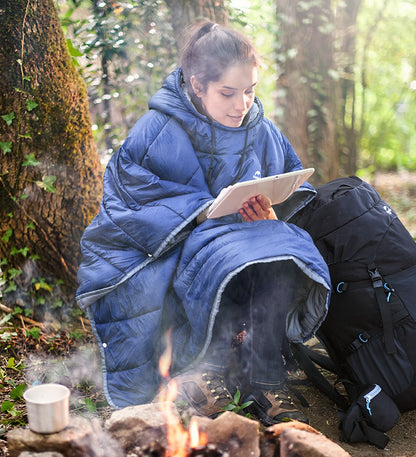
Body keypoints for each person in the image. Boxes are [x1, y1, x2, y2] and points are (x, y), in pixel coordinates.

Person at [76, 21, 331, 425]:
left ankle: (264, 379)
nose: (241, 105)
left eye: (249, 91)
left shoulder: (260, 129)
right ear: (197, 85)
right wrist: (197, 213)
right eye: (228, 93)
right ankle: (204, 372)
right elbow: (128, 202)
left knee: (284, 247)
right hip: (172, 247)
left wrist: (268, 215)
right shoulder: (156, 130)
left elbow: (286, 187)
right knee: (225, 257)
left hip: (237, 244)